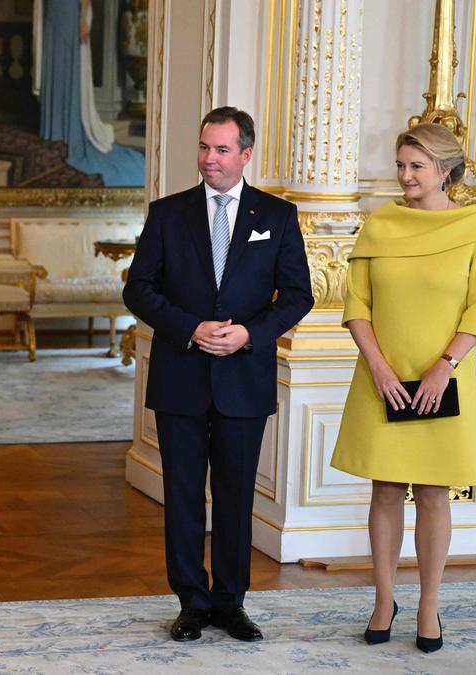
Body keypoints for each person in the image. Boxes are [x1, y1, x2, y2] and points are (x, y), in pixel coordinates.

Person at [122, 107, 313, 643]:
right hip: (181, 375)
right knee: (182, 495)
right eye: (204, 147)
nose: (209, 158)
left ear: (246, 154)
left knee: (235, 498)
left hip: (244, 381)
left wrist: (250, 333)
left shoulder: (277, 216)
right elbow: (138, 289)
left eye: (222, 149)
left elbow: (298, 294)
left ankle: (231, 603)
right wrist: (191, 327)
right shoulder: (167, 213)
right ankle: (190, 601)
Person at [330, 123, 476, 653]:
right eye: (401, 165)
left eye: (416, 167)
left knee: (432, 493)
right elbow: (357, 304)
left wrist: (444, 365)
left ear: (445, 172)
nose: (404, 176)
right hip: (381, 375)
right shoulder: (380, 225)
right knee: (384, 489)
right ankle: (384, 600)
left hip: (442, 376)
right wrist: (379, 368)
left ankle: (428, 606)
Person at [33, 0, 145, 185]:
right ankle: (54, 129)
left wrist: (82, 18)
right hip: (51, 10)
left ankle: (68, 129)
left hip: (70, 12)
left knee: (70, 69)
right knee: (55, 68)